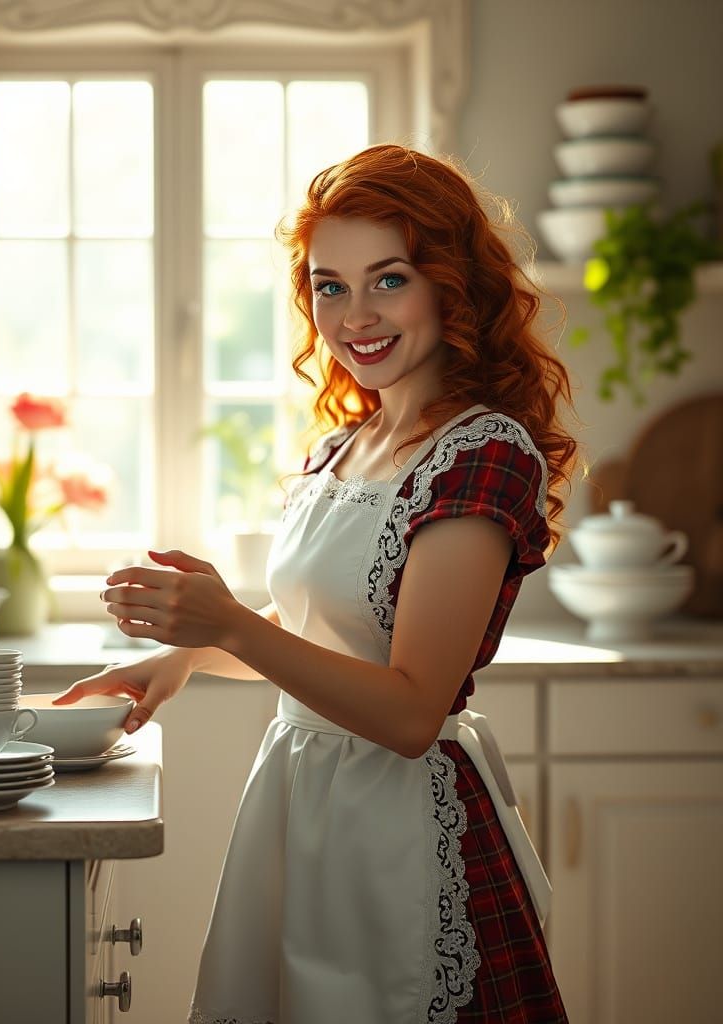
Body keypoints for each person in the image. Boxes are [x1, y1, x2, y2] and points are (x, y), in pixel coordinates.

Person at [53, 143, 578, 1023]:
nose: (355, 315)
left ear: (451, 284)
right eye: (329, 285)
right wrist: (174, 665)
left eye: (389, 279)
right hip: (302, 806)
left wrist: (225, 622)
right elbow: (317, 632)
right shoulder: (346, 445)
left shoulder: (484, 455)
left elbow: (411, 713)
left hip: (403, 833)